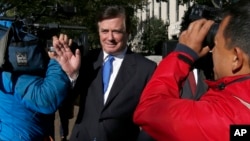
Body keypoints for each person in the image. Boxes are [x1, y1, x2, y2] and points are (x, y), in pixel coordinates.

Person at [133, 0, 250, 141]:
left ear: (236, 58)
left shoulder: (220, 119)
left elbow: (148, 110)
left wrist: (183, 54)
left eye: (216, 44)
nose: (212, 51)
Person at [69, 5, 157, 141]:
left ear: (127, 32)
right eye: (104, 31)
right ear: (98, 32)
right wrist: (72, 76)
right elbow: (66, 101)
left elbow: (154, 119)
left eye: (116, 31)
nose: (110, 38)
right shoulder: (86, 61)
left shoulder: (145, 69)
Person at [0, 33, 81, 140]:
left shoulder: (9, 73)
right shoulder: (11, 76)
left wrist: (70, 73)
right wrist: (57, 61)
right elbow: (46, 100)